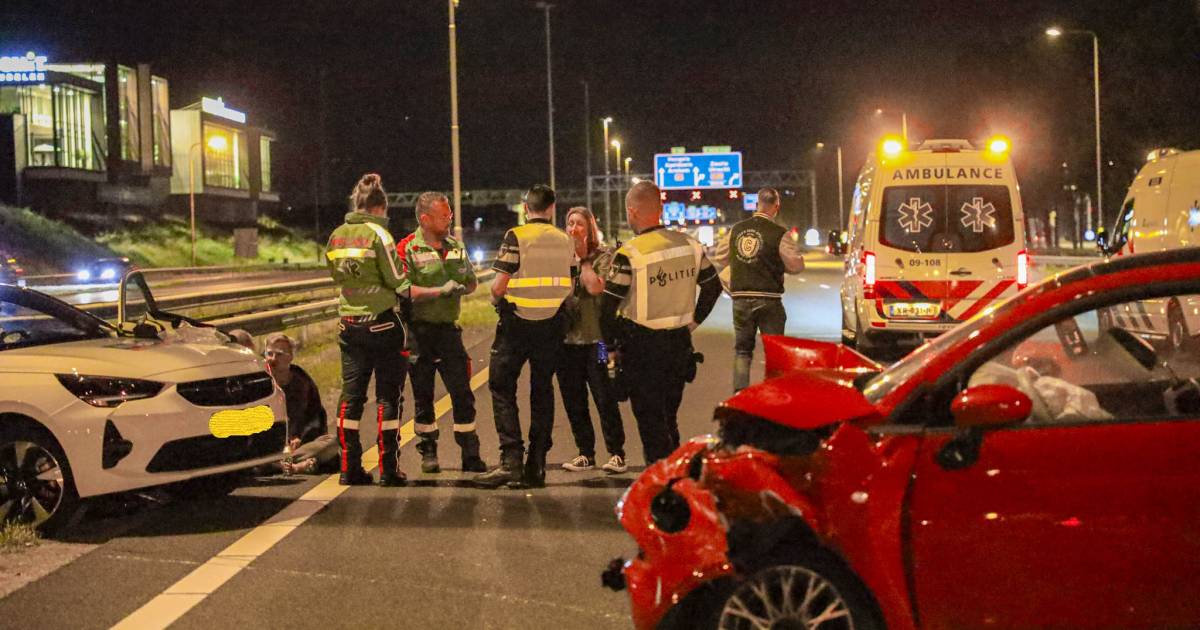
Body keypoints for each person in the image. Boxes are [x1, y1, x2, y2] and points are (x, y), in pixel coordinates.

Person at [600, 181, 722, 464]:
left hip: (642, 349)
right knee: (669, 419)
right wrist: (693, 322)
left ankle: (660, 488)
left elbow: (607, 310)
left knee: (652, 426)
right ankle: (676, 479)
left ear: (632, 211)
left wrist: (610, 351)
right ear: (660, 209)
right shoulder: (690, 245)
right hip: (680, 345)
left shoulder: (629, 254)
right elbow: (713, 287)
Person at [475, 184, 575, 489]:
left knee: (501, 386)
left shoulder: (516, 237)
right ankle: (537, 465)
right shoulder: (565, 240)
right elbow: (570, 287)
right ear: (552, 208)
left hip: (516, 324)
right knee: (542, 390)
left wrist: (496, 302)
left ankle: (511, 462)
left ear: (525, 207)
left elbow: (497, 286)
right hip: (551, 326)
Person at [325, 173, 410, 486]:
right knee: (389, 396)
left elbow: (336, 276)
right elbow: (398, 279)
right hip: (383, 324)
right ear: (378, 208)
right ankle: (389, 469)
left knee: (351, 397)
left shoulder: (336, 235)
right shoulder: (379, 234)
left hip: (349, 325)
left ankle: (349, 467)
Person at [398, 191, 487, 474]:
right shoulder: (407, 248)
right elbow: (404, 290)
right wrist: (438, 291)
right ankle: (428, 450)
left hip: (449, 332)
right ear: (424, 219)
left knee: (462, 393)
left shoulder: (455, 246)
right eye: (443, 215)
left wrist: (462, 286)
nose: (449, 219)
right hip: (419, 332)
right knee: (423, 395)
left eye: (450, 214)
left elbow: (472, 282)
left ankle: (470, 453)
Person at [710, 187, 806, 392]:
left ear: (757, 204)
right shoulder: (779, 233)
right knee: (775, 351)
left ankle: (740, 395)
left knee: (743, 351)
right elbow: (795, 266)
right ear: (776, 207)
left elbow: (720, 257)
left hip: (741, 299)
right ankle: (774, 392)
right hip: (769, 299)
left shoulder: (736, 229)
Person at [557, 207, 627, 474]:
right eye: (569, 223)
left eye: (579, 224)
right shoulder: (561, 258)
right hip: (567, 342)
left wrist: (583, 259)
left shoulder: (604, 256)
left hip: (597, 341)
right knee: (574, 400)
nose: (573, 229)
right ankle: (585, 452)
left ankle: (616, 452)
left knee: (603, 396)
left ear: (590, 228)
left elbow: (596, 287)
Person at [261, 333, 339, 474]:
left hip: (300, 444)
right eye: (269, 353)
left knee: (332, 442)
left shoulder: (301, 382)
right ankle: (293, 466)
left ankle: (281, 464)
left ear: (291, 357)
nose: (273, 359)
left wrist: (298, 437)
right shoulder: (259, 382)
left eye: (279, 354)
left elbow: (313, 418)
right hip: (269, 443)